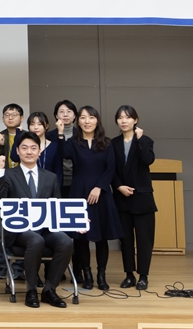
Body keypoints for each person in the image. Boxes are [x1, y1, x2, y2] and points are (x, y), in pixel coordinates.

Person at [0, 131, 73, 308]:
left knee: (65, 241)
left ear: (40, 151)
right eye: (24, 148)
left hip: (44, 229)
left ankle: (49, 290)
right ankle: (31, 290)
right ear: (17, 151)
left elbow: (57, 207)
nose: (29, 152)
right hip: (18, 232)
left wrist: (75, 222)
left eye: (33, 148)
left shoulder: (50, 177)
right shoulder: (8, 175)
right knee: (36, 240)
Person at [57, 105, 123, 291]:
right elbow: (63, 154)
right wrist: (61, 133)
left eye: (91, 118)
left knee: (101, 238)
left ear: (97, 121)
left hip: (101, 194)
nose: (87, 121)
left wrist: (99, 187)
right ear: (78, 121)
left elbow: (111, 168)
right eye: (83, 118)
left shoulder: (107, 143)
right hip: (79, 192)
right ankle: (87, 275)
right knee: (81, 238)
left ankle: (101, 276)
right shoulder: (74, 143)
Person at [111, 105, 156, 291]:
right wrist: (118, 186)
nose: (124, 121)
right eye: (120, 117)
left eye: (128, 117)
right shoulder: (113, 143)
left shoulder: (145, 140)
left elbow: (148, 160)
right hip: (122, 198)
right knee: (126, 240)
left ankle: (143, 276)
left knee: (144, 239)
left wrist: (139, 140)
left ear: (135, 120)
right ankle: (129, 275)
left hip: (142, 199)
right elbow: (110, 169)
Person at [0, 103, 25, 280]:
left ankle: (19, 267)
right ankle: (3, 265)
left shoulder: (27, 137)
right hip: (3, 186)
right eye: (7, 114)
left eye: (14, 114)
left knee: (23, 229)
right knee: (0, 230)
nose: (10, 117)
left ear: (22, 118)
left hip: (22, 186)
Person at [11, 112, 63, 184]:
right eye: (32, 124)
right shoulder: (25, 146)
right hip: (26, 184)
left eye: (39, 124)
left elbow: (58, 171)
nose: (36, 127)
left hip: (48, 185)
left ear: (46, 126)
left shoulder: (54, 146)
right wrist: (18, 134)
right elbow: (14, 157)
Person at [47, 100, 78, 200]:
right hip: (56, 179)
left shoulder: (81, 135)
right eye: (61, 112)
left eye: (69, 111)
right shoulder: (49, 136)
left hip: (77, 180)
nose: (65, 114)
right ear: (56, 116)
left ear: (74, 115)